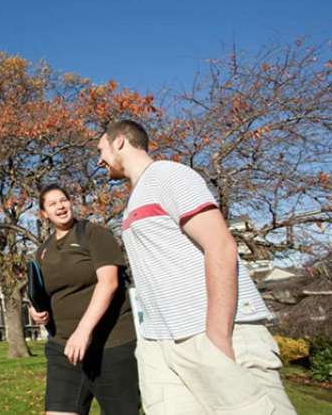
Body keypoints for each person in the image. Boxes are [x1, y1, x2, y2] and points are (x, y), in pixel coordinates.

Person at [96, 119, 295, 414]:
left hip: (208, 332)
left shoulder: (168, 174)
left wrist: (217, 336)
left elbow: (220, 245)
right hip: (161, 341)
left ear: (120, 141)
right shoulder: (136, 197)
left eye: (101, 149)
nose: (99, 160)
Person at [30, 183, 140, 415]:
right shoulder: (42, 252)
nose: (60, 206)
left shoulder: (94, 234)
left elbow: (109, 283)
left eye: (63, 200)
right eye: (52, 204)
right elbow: (47, 293)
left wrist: (84, 330)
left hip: (111, 345)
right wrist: (37, 311)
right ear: (43, 213)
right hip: (64, 348)